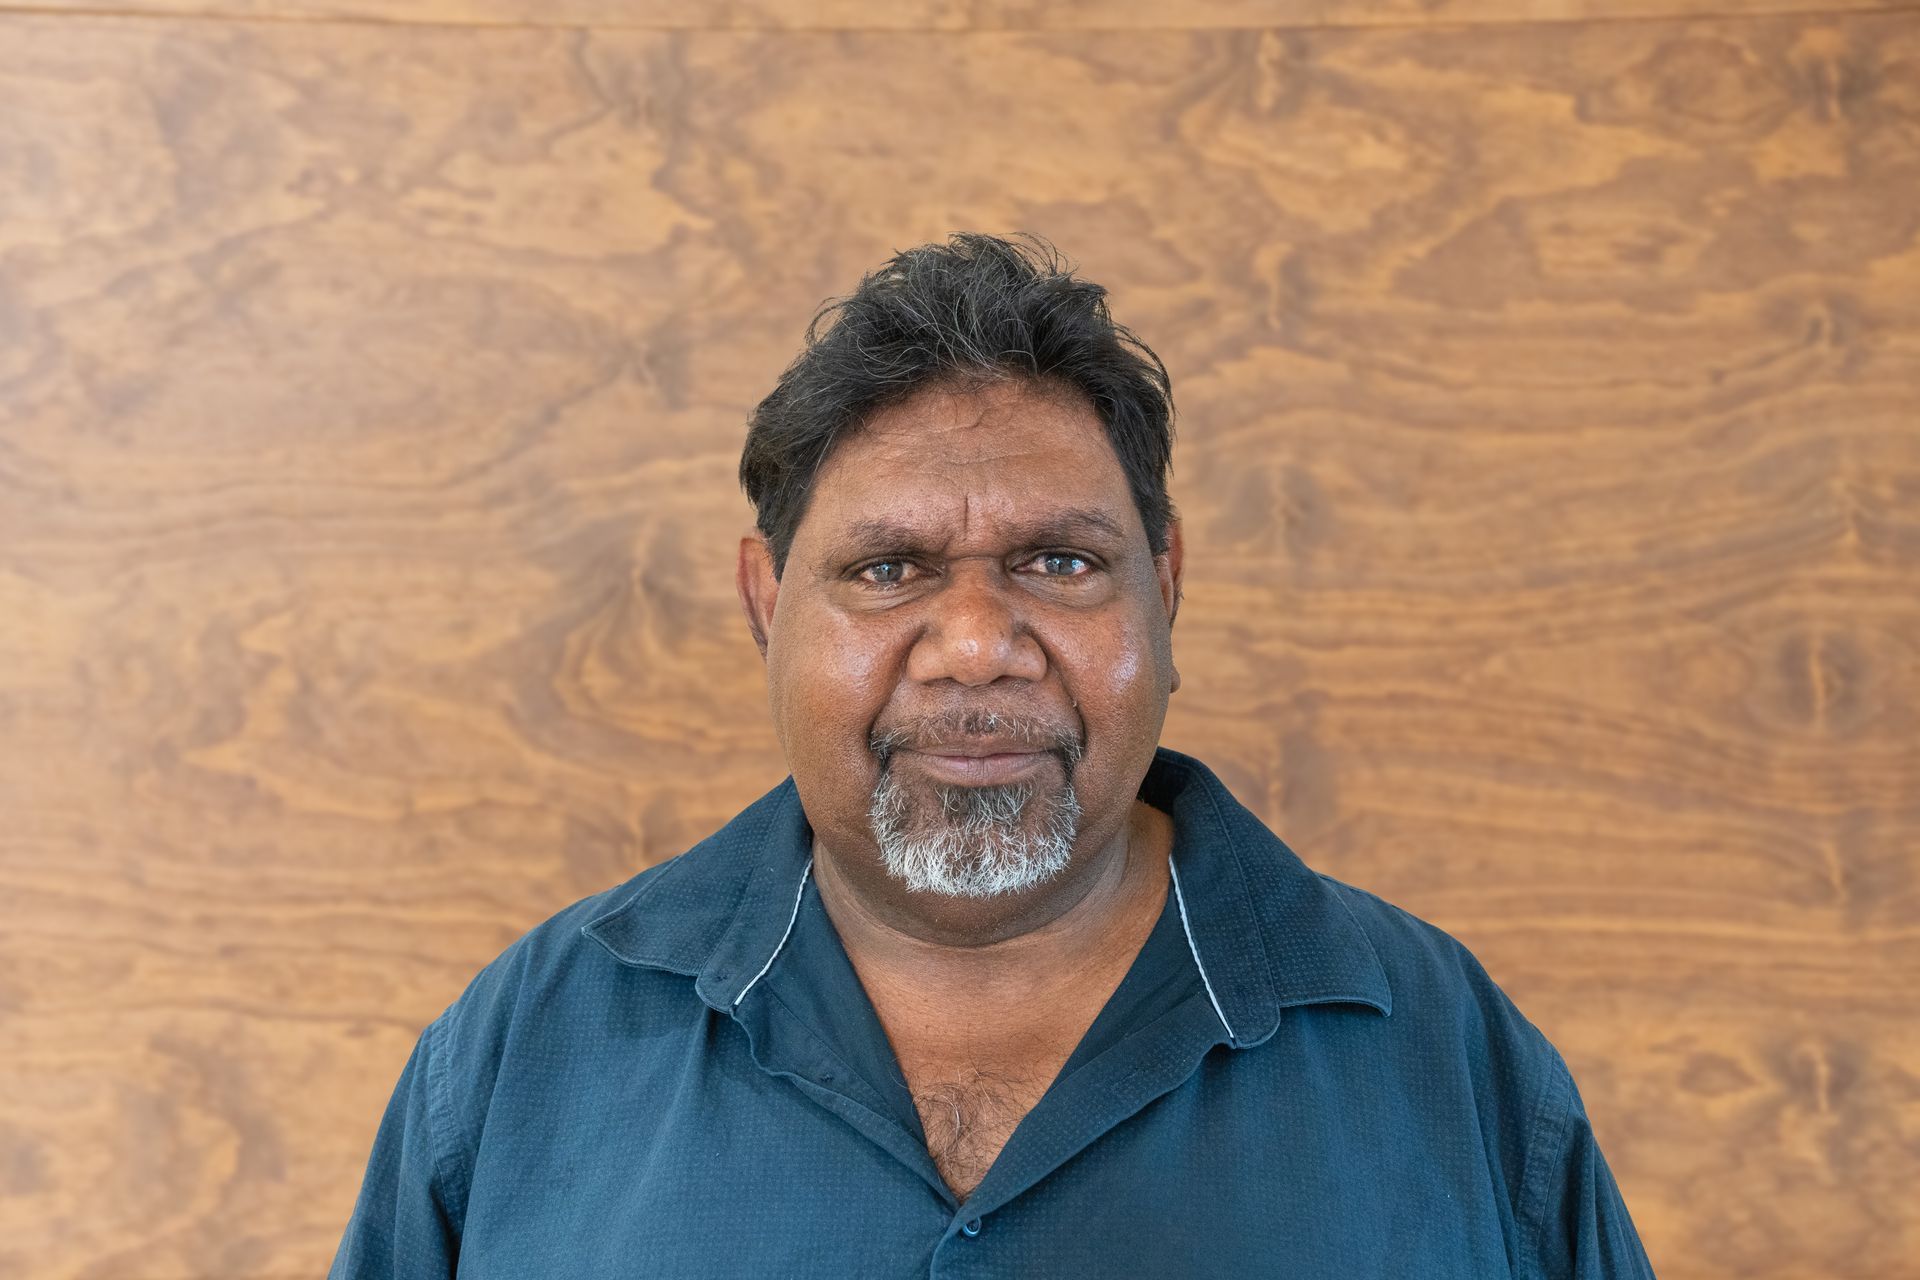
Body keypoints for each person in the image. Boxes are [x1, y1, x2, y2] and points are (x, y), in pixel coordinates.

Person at [329, 233, 1656, 1278]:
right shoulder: (528, 1055)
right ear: (763, 601)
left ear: (1166, 587)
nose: (974, 645)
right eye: (890, 568)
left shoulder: (1445, 1060)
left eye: (1060, 562)